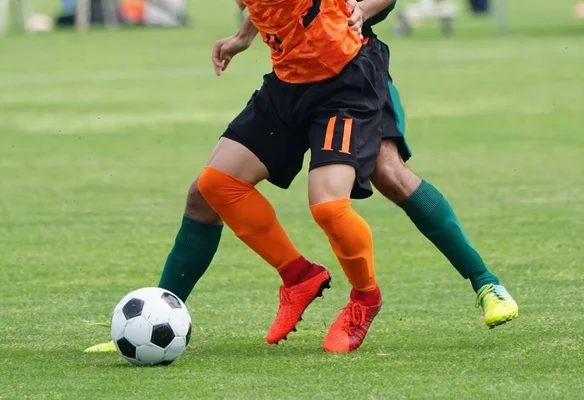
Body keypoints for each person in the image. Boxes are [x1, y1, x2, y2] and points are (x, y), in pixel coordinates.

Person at [85, 0, 518, 354]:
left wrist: (364, 10)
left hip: (351, 76)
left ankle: (482, 284)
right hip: (290, 81)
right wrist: (242, 37)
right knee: (209, 190)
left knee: (383, 175)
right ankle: (171, 310)